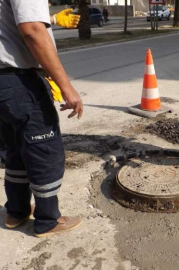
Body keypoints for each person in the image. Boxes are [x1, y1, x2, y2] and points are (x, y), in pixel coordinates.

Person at [0, 0, 83, 237]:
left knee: (16, 149)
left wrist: (53, 20)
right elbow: (32, 30)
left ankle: (16, 212)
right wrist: (65, 86)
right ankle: (48, 220)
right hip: (19, 80)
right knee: (44, 150)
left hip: (3, 83)